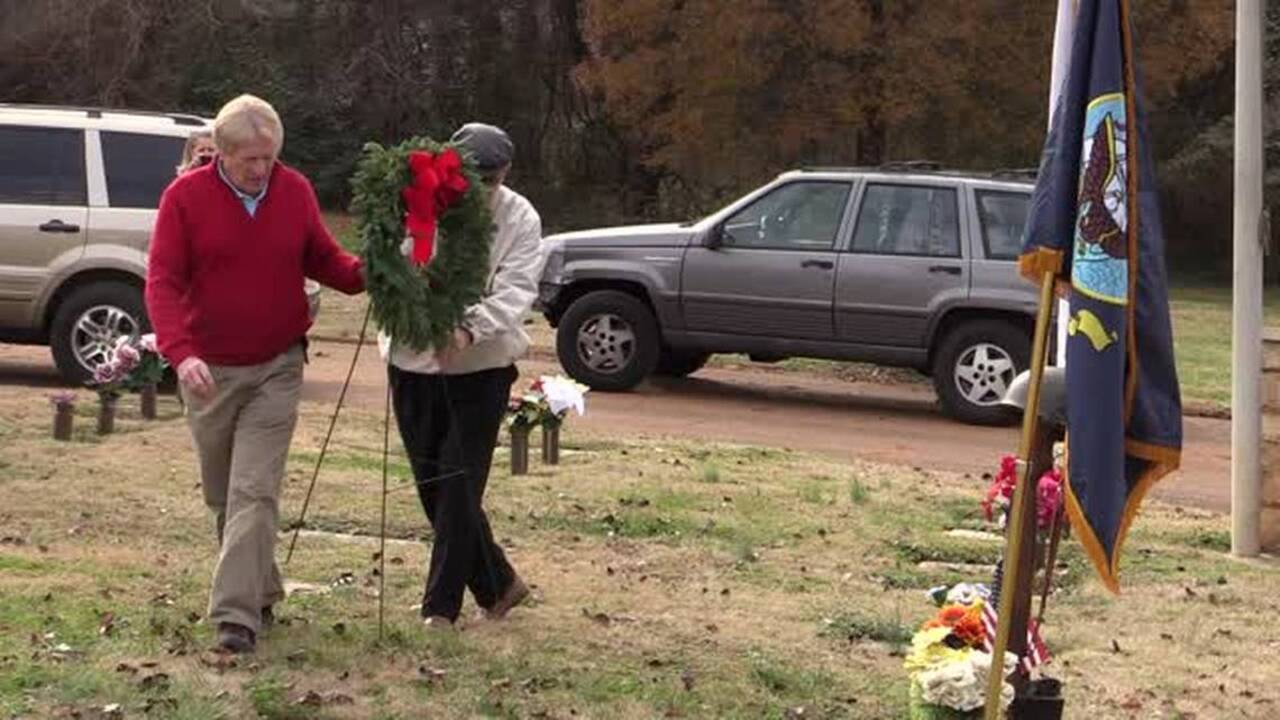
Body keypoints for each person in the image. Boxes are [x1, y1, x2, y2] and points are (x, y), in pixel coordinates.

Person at [145, 94, 365, 654]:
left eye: (269, 157)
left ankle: (236, 619)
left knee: (253, 490)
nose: (262, 169)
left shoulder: (294, 191)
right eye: (250, 160)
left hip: (277, 364)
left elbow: (323, 259)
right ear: (220, 153)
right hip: (209, 371)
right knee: (224, 496)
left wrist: (373, 271)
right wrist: (181, 352)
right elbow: (163, 282)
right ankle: (262, 588)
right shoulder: (185, 199)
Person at [379, 122, 545, 630]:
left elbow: (516, 289)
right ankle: (498, 584)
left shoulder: (519, 218)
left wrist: (468, 331)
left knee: (458, 484)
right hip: (411, 361)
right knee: (432, 484)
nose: (480, 192)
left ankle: (440, 609)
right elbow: (391, 263)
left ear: (505, 175)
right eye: (471, 180)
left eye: (490, 182)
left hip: (481, 369)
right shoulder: (415, 202)